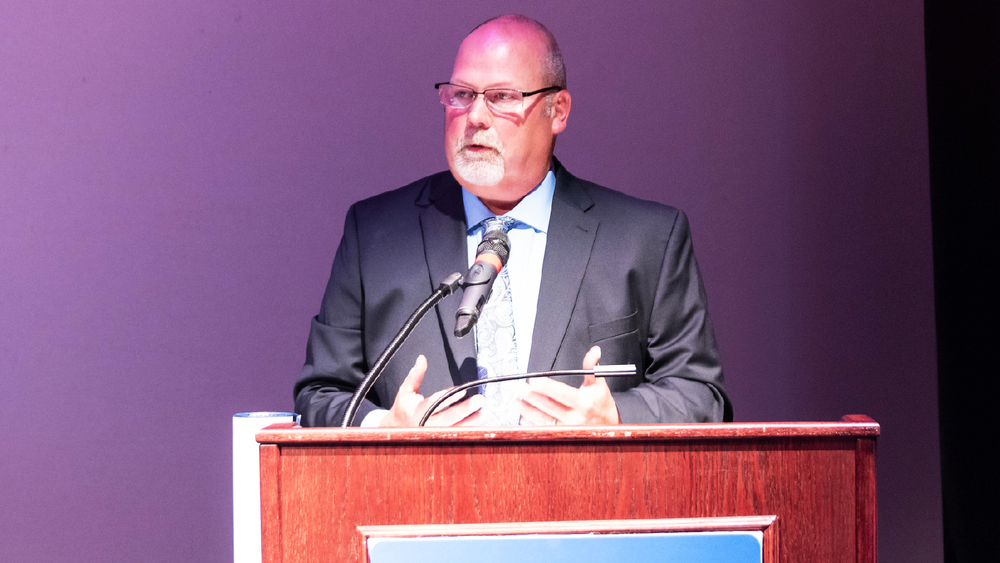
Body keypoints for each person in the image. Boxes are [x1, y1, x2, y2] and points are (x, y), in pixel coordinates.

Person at [294, 14, 731, 427]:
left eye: (502, 97)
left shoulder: (645, 239)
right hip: (423, 499)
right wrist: (382, 425)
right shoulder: (374, 234)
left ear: (557, 110)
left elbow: (701, 394)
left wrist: (615, 414)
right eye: (461, 95)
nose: (475, 117)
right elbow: (321, 392)